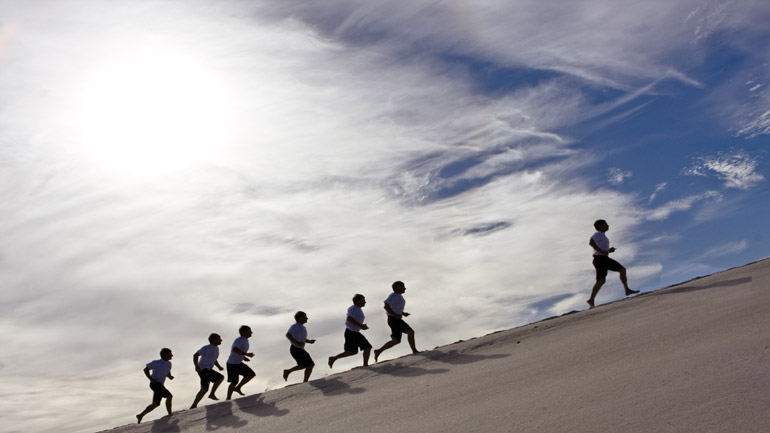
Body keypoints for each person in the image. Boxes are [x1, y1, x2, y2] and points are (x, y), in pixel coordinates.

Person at [587, 219, 639, 308]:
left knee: (601, 280)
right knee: (621, 270)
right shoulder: (598, 234)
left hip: (601, 259)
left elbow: (601, 250)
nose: (608, 225)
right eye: (605, 224)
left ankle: (591, 300)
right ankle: (627, 290)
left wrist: (608, 251)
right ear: (600, 226)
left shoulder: (602, 235)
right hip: (600, 259)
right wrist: (602, 252)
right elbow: (591, 242)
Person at [374, 281, 419, 362]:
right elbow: (386, 306)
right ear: (398, 288)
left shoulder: (399, 296)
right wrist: (395, 315)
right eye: (403, 286)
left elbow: (394, 308)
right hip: (393, 319)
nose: (405, 288)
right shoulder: (393, 295)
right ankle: (414, 350)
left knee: (396, 340)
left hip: (395, 319)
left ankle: (378, 351)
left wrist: (402, 313)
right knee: (410, 332)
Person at [328, 294, 372, 368]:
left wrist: (361, 326)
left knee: (363, 348)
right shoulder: (354, 308)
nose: (365, 302)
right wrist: (361, 326)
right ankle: (333, 358)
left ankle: (365, 365)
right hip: (351, 333)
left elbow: (352, 321)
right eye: (363, 300)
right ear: (357, 301)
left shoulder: (357, 309)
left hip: (354, 332)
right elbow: (349, 319)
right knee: (360, 349)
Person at [136, 348, 175, 423]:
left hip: (160, 384)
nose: (172, 355)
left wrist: (170, 376)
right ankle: (170, 414)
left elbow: (167, 373)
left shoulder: (169, 364)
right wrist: (151, 379)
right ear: (165, 355)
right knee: (169, 396)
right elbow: (146, 369)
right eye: (170, 354)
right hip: (155, 384)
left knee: (156, 404)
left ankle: (140, 415)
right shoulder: (157, 363)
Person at [190, 333, 225, 409]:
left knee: (204, 388)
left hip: (207, 369)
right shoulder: (207, 348)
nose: (221, 340)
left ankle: (193, 405)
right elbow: (195, 355)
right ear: (214, 340)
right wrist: (196, 365)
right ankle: (212, 394)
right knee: (220, 378)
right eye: (219, 338)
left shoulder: (216, 349)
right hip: (203, 369)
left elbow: (214, 359)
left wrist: (219, 366)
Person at [282, 311, 316, 382]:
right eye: (305, 317)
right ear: (301, 318)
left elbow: (302, 339)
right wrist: (296, 343)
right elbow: (288, 335)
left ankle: (288, 372)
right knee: (309, 364)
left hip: (299, 349)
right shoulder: (295, 326)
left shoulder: (303, 328)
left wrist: (309, 341)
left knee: (308, 365)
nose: (307, 318)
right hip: (295, 349)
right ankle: (304, 381)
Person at [226, 325, 256, 400]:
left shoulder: (245, 340)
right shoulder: (239, 340)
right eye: (249, 331)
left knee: (250, 374)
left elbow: (239, 351)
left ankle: (238, 388)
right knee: (234, 381)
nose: (251, 332)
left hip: (238, 363)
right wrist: (246, 354)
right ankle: (228, 398)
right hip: (232, 364)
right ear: (244, 332)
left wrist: (244, 357)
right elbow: (235, 349)